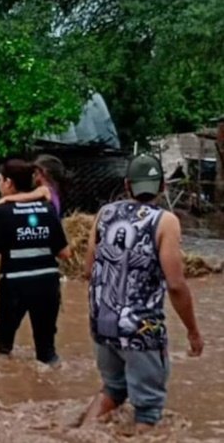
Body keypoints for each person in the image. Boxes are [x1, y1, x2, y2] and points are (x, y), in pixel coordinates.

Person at [80, 154, 203, 432]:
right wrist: (193, 331)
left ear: (127, 185)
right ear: (163, 187)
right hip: (140, 329)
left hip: (102, 322)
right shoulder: (165, 221)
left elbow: (88, 270)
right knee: (148, 409)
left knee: (112, 390)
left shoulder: (104, 213)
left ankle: (77, 434)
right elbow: (176, 284)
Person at [0, 159, 72, 365]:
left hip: (14, 284)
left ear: (8, 183)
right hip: (48, 283)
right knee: (47, 350)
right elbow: (65, 253)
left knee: (2, 347)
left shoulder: (0, 211)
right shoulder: (47, 208)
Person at [0, 154, 68, 217]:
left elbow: (29, 196)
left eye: (35, 173)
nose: (33, 176)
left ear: (42, 173)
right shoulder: (54, 191)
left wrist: (6, 199)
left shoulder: (45, 189)